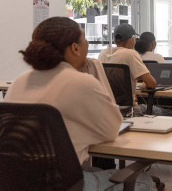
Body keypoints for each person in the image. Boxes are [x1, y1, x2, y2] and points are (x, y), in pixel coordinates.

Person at [4, 17, 129, 190]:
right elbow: (111, 130)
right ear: (75, 48)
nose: (87, 43)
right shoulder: (81, 82)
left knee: (92, 169)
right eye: (84, 38)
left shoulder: (19, 81)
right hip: (61, 184)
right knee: (140, 179)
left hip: (17, 181)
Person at [98, 24, 156, 100]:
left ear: (115, 41)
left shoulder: (103, 54)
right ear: (132, 40)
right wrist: (145, 84)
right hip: (128, 110)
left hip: (108, 108)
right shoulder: (130, 54)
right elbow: (151, 84)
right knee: (170, 112)